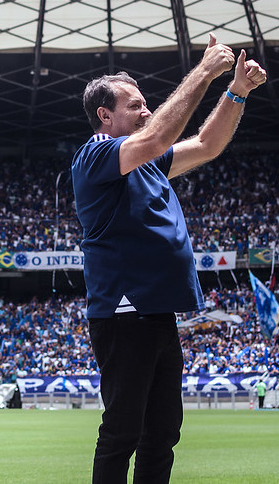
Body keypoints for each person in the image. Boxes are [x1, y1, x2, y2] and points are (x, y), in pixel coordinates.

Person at [71, 34, 266, 484]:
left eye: (145, 104)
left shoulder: (146, 163)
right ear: (105, 115)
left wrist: (236, 92)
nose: (145, 111)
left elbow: (208, 145)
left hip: (156, 312)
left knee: (162, 433)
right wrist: (202, 72)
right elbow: (158, 135)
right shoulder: (95, 155)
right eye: (135, 105)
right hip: (124, 312)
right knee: (123, 431)